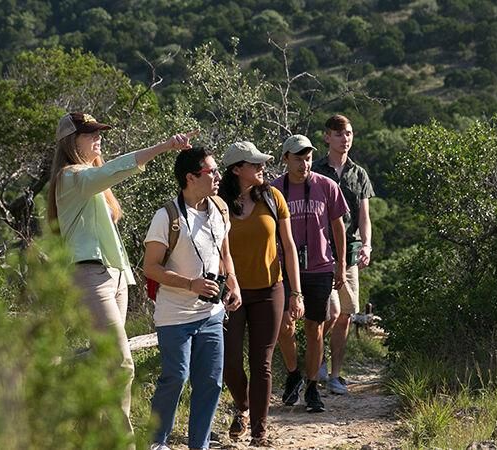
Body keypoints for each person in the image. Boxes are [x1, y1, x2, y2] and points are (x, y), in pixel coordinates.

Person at [47, 112, 193, 444]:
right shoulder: (71, 176)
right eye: (90, 134)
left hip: (113, 276)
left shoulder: (89, 178)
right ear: (72, 141)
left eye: (99, 132)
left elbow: (107, 174)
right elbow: (115, 170)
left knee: (107, 363)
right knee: (121, 362)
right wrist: (165, 146)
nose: (98, 138)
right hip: (89, 275)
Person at [143, 147, 242, 450]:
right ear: (190, 177)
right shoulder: (167, 216)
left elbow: (224, 254)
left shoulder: (220, 208)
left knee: (211, 382)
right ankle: (156, 442)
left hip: (211, 315)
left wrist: (234, 283)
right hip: (174, 315)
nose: (217, 176)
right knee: (176, 376)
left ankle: (198, 445)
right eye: (211, 171)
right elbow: (150, 267)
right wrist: (191, 284)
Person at [219, 142, 303, 446]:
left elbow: (289, 247)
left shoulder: (273, 197)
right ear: (236, 169)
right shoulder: (217, 204)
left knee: (262, 362)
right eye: (254, 164)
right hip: (231, 293)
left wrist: (296, 293)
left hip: (271, 290)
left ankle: (259, 431)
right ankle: (242, 407)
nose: (261, 168)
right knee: (229, 362)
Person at [272, 134, 348, 413]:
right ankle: (293, 373)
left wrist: (340, 264)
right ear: (285, 159)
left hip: (319, 267)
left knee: (315, 327)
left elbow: (338, 226)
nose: (304, 164)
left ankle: (313, 386)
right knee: (284, 325)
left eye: (308, 158)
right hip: (284, 268)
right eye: (298, 158)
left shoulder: (326, 186)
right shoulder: (274, 190)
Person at [312, 114, 375, 395]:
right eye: (338, 134)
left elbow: (364, 216)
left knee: (346, 314)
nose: (344, 138)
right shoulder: (314, 170)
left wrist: (366, 245)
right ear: (327, 137)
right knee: (328, 311)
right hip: (321, 252)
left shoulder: (359, 173)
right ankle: (316, 361)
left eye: (348, 133)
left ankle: (336, 375)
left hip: (349, 251)